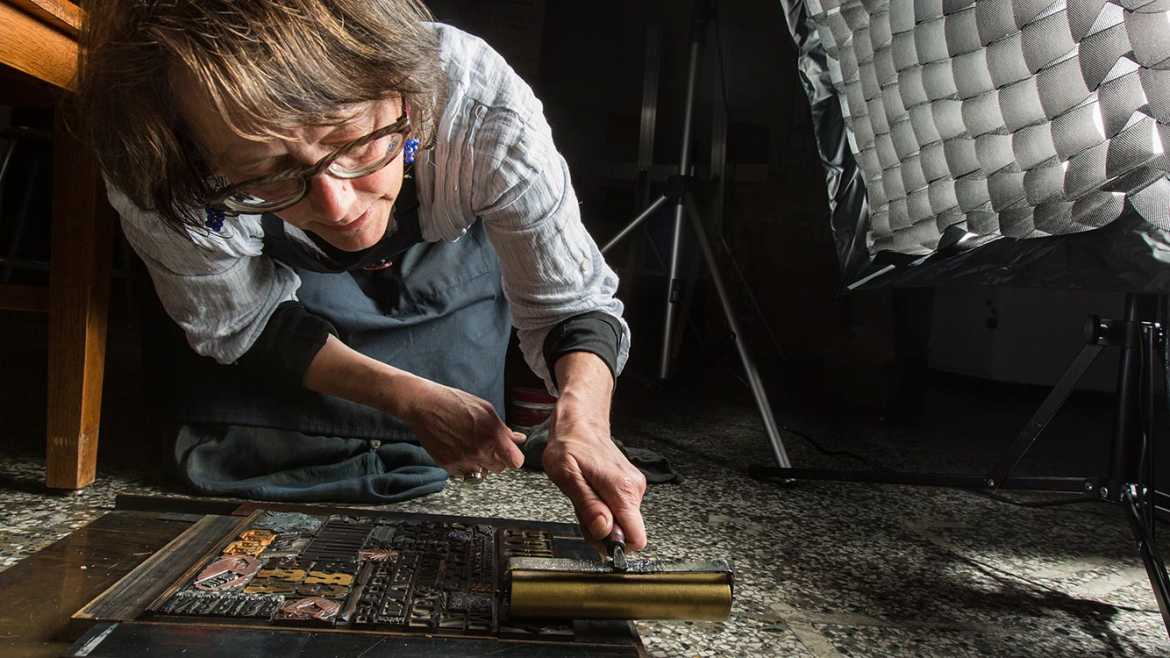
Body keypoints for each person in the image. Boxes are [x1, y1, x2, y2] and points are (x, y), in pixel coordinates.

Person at [75, 0, 647, 550]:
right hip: (279, 294)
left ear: (398, 89)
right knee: (231, 438)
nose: (339, 205)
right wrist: (407, 399)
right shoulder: (160, 164)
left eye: (352, 140)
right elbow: (238, 318)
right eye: (270, 171)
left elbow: (567, 300)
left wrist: (584, 421)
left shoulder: (478, 106)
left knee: (449, 433)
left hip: (438, 267)